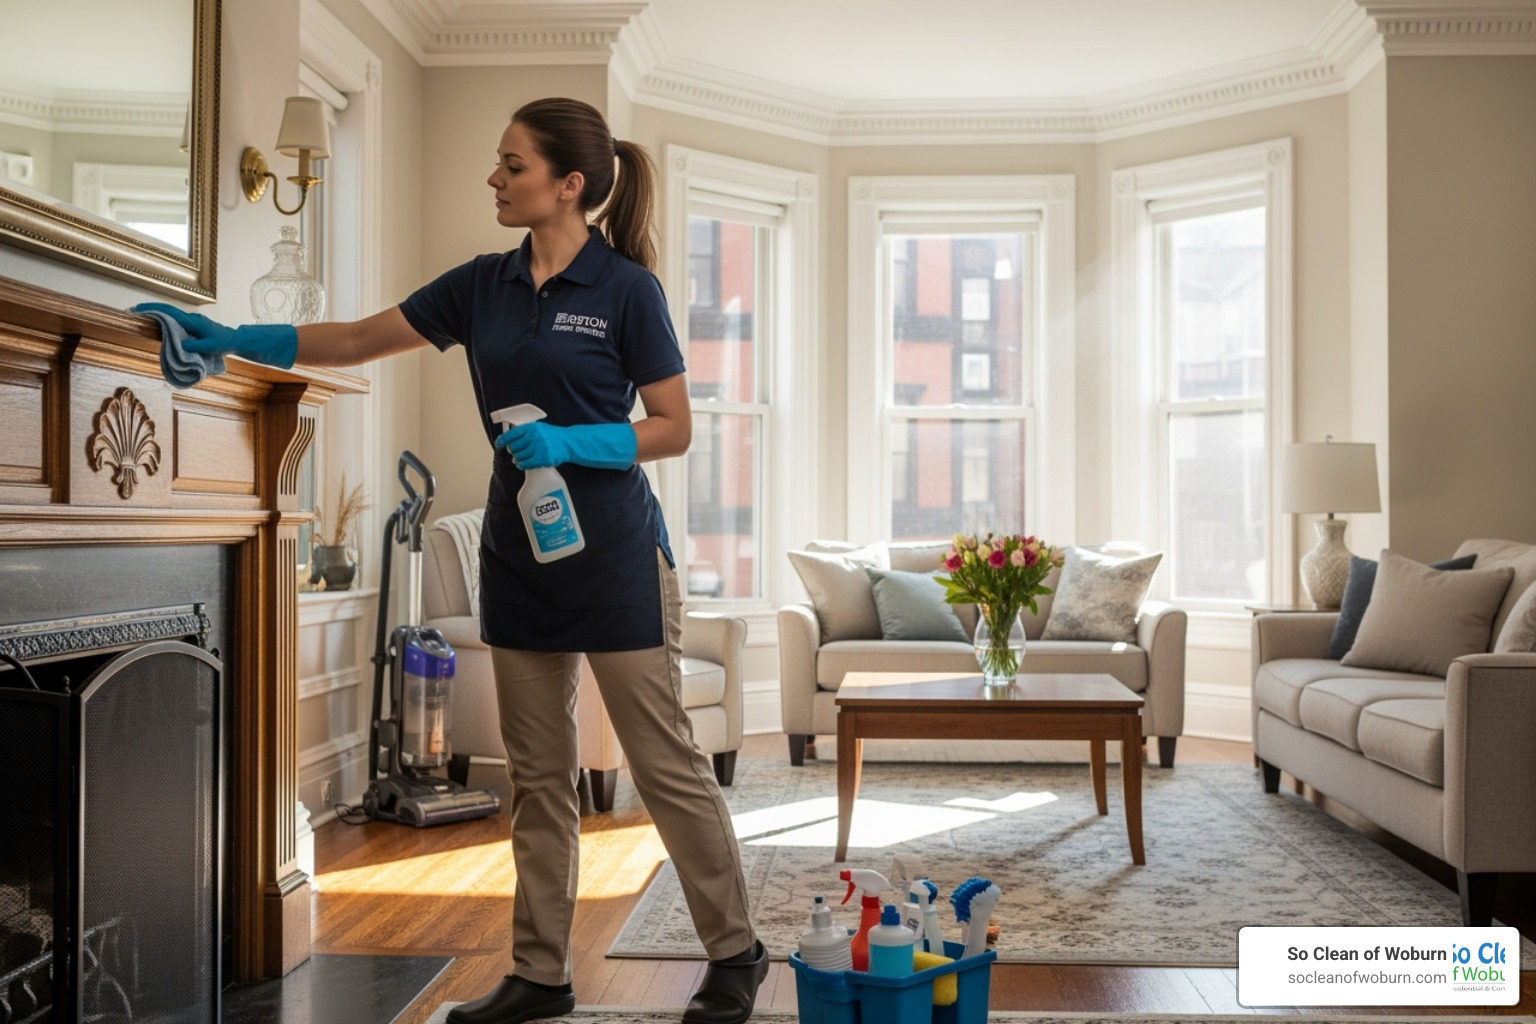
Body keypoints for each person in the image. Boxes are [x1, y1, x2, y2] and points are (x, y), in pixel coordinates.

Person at [136, 97, 765, 1024]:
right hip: (520, 559)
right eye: (498, 164)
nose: (495, 179)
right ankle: (541, 974)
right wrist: (232, 340)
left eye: (513, 166)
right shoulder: (482, 286)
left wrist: (572, 444)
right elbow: (355, 339)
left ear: (570, 185)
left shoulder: (627, 291)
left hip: (619, 560)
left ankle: (735, 953)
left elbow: (671, 427)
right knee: (539, 778)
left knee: (664, 760)